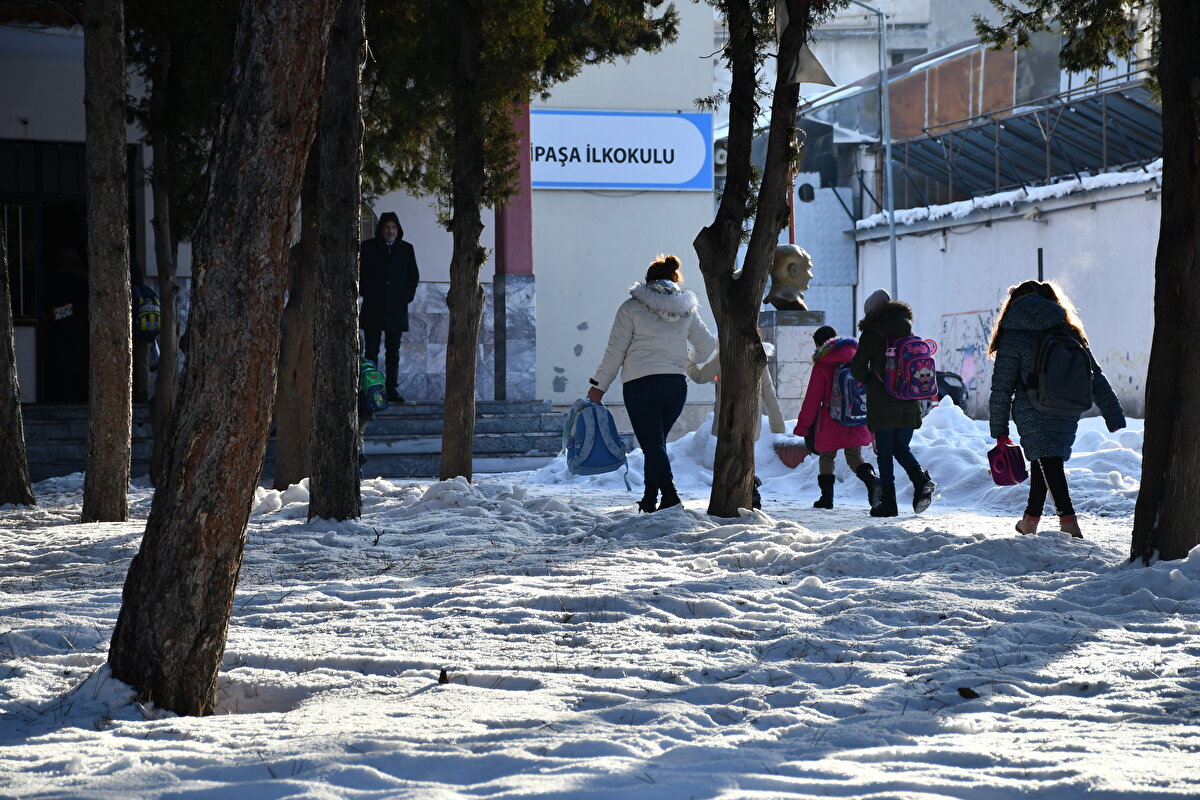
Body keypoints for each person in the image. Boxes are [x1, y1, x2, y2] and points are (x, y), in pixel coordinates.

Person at [988, 280, 1125, 538]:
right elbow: (1095, 374)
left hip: (1032, 408)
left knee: (1048, 461)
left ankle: (1069, 524)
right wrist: (1113, 413)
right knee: (1046, 459)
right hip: (1067, 406)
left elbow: (1002, 387)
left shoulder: (1014, 333)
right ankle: (1030, 520)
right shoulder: (1067, 329)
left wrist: (999, 429)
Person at [588, 254, 716, 513]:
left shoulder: (630, 308)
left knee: (652, 443)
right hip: (674, 385)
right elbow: (707, 345)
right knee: (655, 442)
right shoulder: (686, 310)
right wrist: (687, 360)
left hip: (640, 384)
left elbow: (615, 351)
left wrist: (599, 385)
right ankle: (649, 498)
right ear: (674, 279)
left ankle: (669, 496)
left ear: (647, 281)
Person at [850, 289, 936, 517]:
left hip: (883, 403)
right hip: (910, 401)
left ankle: (889, 504)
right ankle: (920, 480)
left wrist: (873, 382)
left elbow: (857, 368)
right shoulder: (907, 330)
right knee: (901, 447)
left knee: (885, 454)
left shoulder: (871, 335)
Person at [686, 335, 786, 509]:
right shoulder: (758, 358)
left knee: (728, 457)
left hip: (728, 418)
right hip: (750, 419)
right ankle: (750, 492)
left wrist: (687, 360)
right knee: (746, 456)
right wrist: (777, 424)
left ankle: (730, 496)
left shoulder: (724, 356)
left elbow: (700, 376)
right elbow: (768, 393)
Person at [795, 325, 880, 510]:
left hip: (830, 418)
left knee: (826, 457)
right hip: (856, 415)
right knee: (854, 457)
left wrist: (803, 426)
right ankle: (872, 480)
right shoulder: (857, 357)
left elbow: (812, 399)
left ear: (819, 344)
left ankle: (827, 498)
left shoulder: (823, 364)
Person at [360, 211, 420, 403]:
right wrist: (368, 293)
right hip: (374, 308)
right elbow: (360, 274)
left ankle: (392, 389)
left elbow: (413, 276)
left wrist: (406, 297)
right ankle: (370, 389)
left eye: (393, 227)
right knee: (371, 351)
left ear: (398, 229)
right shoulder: (368, 248)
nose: (390, 231)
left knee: (393, 352)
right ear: (381, 229)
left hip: (396, 309)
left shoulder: (406, 249)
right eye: (387, 227)